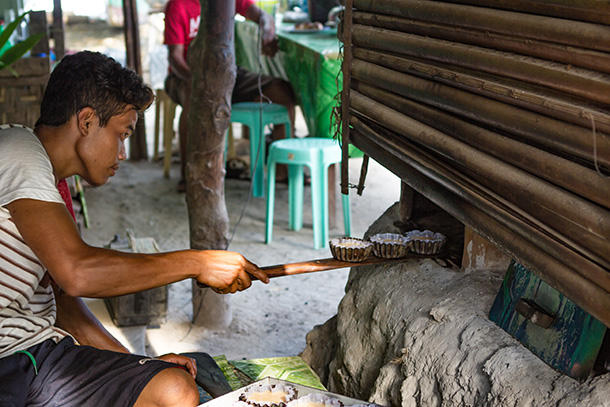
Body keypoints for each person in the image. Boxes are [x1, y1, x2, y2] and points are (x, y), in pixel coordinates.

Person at [0, 50, 269, 407]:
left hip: (40, 355)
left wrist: (135, 363)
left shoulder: (54, 187)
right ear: (86, 122)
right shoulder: (20, 152)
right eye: (122, 133)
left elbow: (67, 305)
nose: (123, 153)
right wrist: (198, 263)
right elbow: (78, 272)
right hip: (11, 362)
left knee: (173, 388)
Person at [164, 0, 296, 192]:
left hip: (225, 72)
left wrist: (267, 30)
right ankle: (189, 175)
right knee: (194, 99)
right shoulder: (178, 5)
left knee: (281, 92)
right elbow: (174, 57)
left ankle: (284, 170)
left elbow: (264, 17)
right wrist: (194, 78)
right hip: (184, 74)